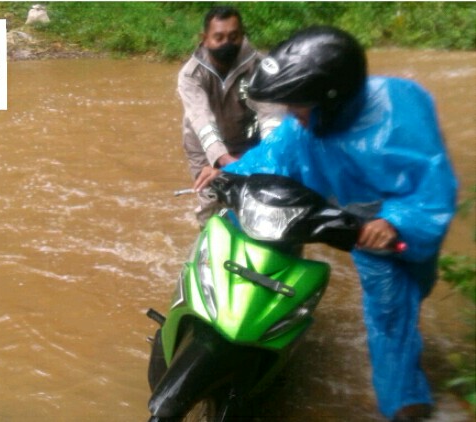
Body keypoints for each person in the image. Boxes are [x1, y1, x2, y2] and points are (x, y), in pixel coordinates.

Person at [195, 26, 458, 422]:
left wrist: (397, 221)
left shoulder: (402, 111)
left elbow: (433, 189)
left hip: (387, 228)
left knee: (403, 299)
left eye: (298, 106)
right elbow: (273, 156)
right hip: (351, 219)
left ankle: (406, 401)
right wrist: (228, 176)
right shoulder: (305, 128)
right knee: (386, 313)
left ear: (332, 98)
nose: (292, 115)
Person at [178, 6, 285, 226]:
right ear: (205, 39)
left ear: (242, 35)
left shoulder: (259, 68)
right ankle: (206, 237)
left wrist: (268, 157)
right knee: (211, 195)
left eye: (233, 36)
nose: (227, 43)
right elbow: (202, 119)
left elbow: (270, 116)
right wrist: (223, 160)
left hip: (248, 139)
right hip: (202, 144)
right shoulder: (191, 75)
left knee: (259, 195)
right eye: (219, 37)